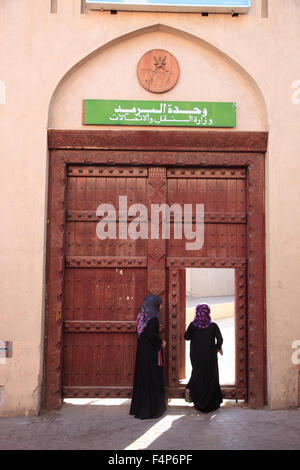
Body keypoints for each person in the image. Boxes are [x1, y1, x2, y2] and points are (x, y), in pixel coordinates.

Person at [130, 294, 167, 420]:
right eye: (159, 304)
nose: (161, 306)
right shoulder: (153, 319)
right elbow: (152, 335)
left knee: (143, 379)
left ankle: (140, 408)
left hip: (142, 354)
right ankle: (151, 409)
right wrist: (161, 342)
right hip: (151, 354)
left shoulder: (141, 317)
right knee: (152, 379)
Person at [184, 303, 223, 413]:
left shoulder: (193, 325)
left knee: (197, 373)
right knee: (210, 376)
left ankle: (193, 394)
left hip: (196, 356)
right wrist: (217, 348)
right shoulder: (213, 326)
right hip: (210, 356)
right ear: (208, 312)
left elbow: (186, 337)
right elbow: (220, 339)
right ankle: (211, 402)